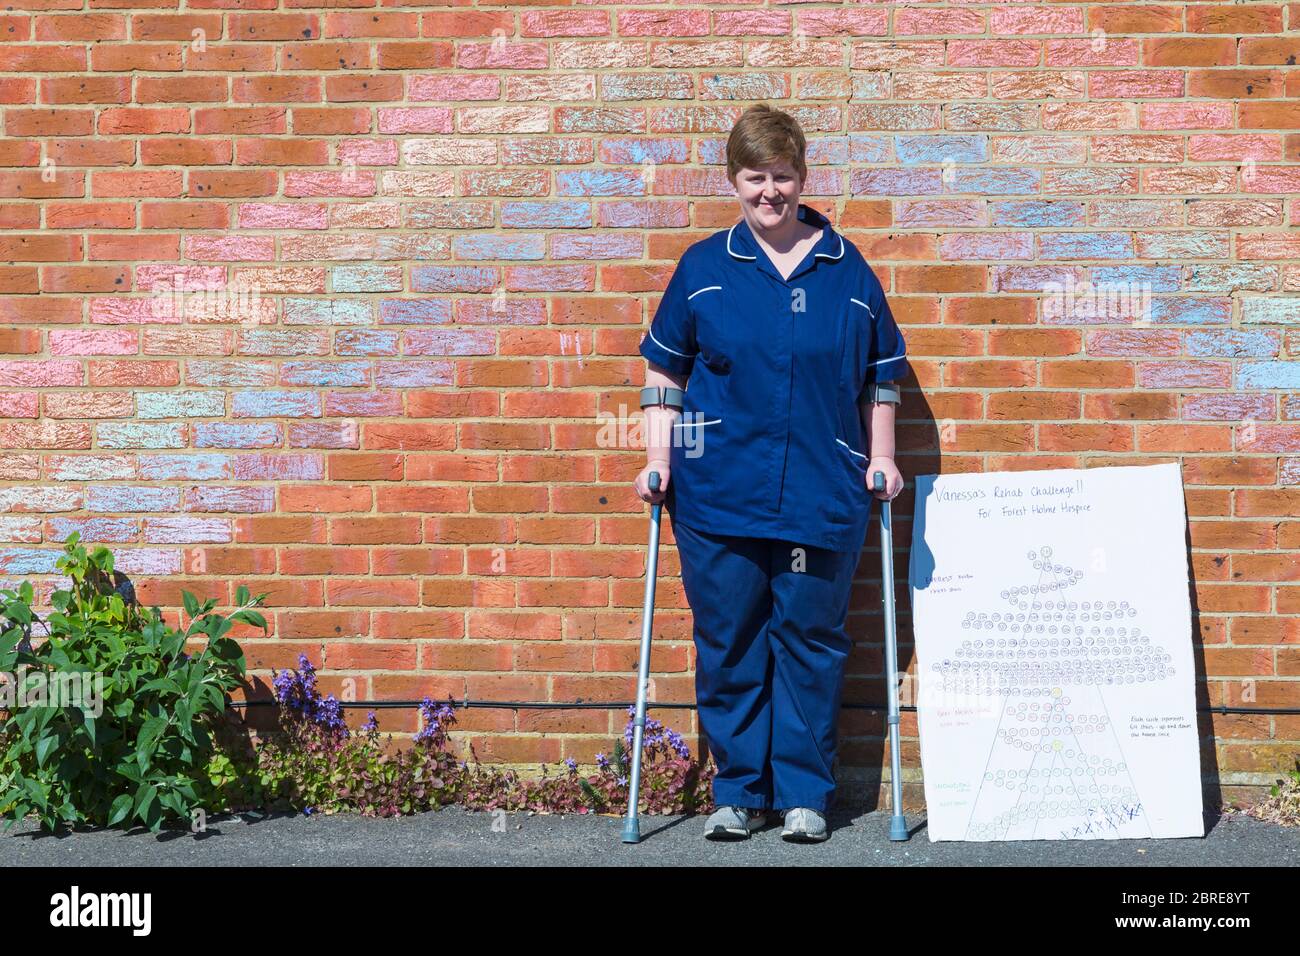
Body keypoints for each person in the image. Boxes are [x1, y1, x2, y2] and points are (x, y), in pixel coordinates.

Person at [633, 104, 910, 844]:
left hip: (822, 492)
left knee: (811, 644)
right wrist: (659, 459)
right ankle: (738, 791)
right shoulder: (703, 269)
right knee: (728, 641)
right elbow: (665, 371)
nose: (770, 193)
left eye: (782, 177)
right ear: (734, 180)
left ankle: (804, 795)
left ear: (803, 177)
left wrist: (881, 457)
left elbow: (881, 380)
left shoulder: (847, 270)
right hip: (717, 495)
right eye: (755, 178)